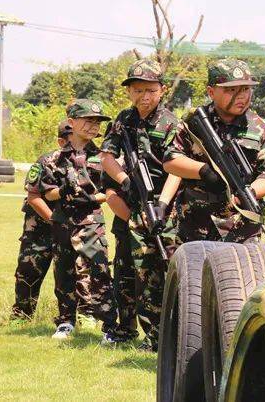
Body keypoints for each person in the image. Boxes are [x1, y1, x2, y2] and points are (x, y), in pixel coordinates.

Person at [100, 58, 181, 351]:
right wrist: (123, 181)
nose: (143, 97)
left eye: (149, 90)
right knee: (132, 268)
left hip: (166, 205)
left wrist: (161, 202)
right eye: (136, 90)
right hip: (133, 201)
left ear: (162, 89)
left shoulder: (172, 123)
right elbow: (106, 156)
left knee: (163, 267)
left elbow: (177, 169)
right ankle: (138, 333)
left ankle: (165, 335)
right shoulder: (123, 119)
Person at [163, 58, 265, 244]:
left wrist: (249, 193)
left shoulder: (260, 129)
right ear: (211, 92)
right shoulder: (193, 123)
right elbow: (171, 160)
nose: (241, 96)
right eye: (231, 90)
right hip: (195, 226)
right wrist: (203, 171)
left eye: (245, 89)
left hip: (241, 228)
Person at [39, 99, 119, 343]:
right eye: (88, 120)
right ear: (72, 123)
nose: (93, 126)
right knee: (63, 270)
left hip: (90, 220)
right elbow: (47, 192)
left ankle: (109, 326)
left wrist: (91, 196)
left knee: (98, 271)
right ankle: (65, 322)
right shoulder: (52, 159)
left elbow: (112, 191)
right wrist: (64, 191)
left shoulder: (104, 157)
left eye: (97, 122)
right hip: (63, 220)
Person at [10, 121, 92, 321]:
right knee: (29, 271)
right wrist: (54, 221)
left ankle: (75, 318)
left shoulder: (86, 163)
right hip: (39, 229)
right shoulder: (46, 161)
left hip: (71, 228)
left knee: (74, 273)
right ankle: (22, 316)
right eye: (69, 141)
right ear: (60, 141)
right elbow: (34, 197)